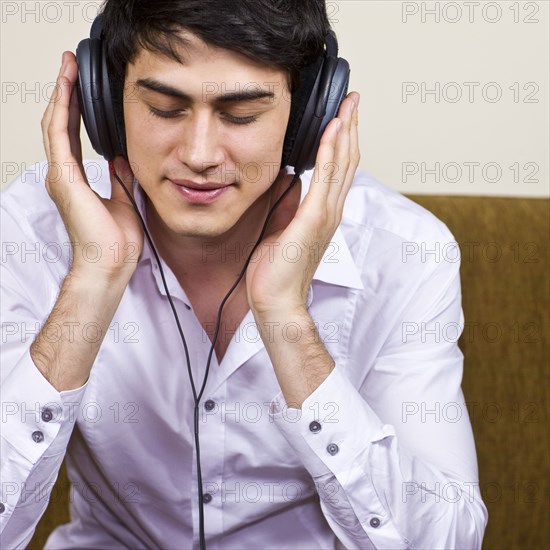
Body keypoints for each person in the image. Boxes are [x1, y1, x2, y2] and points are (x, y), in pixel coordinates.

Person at [0, 1, 488, 548]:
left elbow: (448, 539)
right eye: (164, 108)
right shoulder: (32, 228)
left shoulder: (406, 252)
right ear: (104, 104)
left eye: (241, 115)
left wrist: (286, 319)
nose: (200, 154)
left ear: (308, 115)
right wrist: (92, 279)